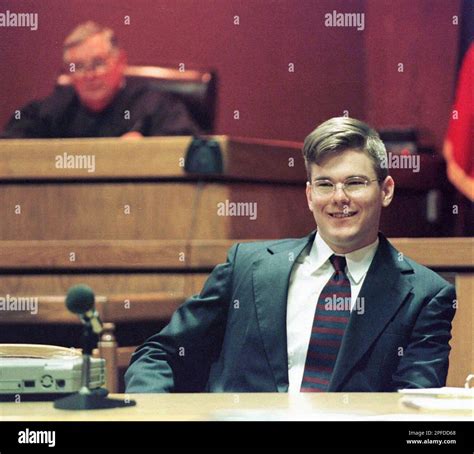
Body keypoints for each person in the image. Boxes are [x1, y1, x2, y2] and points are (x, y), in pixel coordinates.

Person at [125, 117, 456, 393]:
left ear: (385, 191)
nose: (339, 198)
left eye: (354, 182)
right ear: (310, 195)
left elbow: (415, 410)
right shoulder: (247, 266)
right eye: (325, 185)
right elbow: (158, 355)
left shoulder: (425, 295)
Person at [1, 21, 199, 138]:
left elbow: (187, 147)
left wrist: (147, 150)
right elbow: (12, 145)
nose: (89, 75)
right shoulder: (57, 108)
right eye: (77, 67)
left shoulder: (154, 104)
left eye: (98, 63)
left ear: (121, 61)